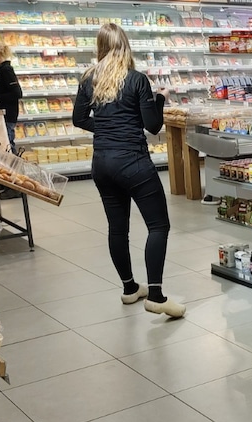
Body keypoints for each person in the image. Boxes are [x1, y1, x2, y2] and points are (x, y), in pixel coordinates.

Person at [72, 23, 184, 318]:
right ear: (125, 46)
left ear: (100, 47)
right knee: (158, 226)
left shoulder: (88, 80)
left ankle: (130, 288)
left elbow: (78, 118)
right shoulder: (137, 80)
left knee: (117, 228)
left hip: (102, 164)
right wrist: (160, 98)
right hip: (133, 162)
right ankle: (156, 296)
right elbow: (153, 126)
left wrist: (107, 129)